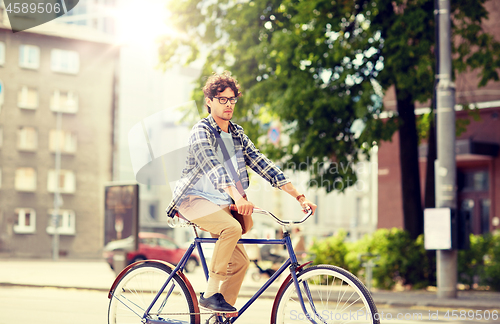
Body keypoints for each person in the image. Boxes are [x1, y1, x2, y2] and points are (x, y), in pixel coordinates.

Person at [165, 71, 317, 313]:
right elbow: (213, 167)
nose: (228, 105)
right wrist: (237, 197)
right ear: (209, 101)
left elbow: (263, 164)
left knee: (241, 263)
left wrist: (299, 196)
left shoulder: (237, 134)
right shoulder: (201, 131)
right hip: (192, 199)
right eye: (222, 99)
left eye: (232, 99)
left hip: (220, 203)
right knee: (232, 228)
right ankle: (209, 294)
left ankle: (219, 317)